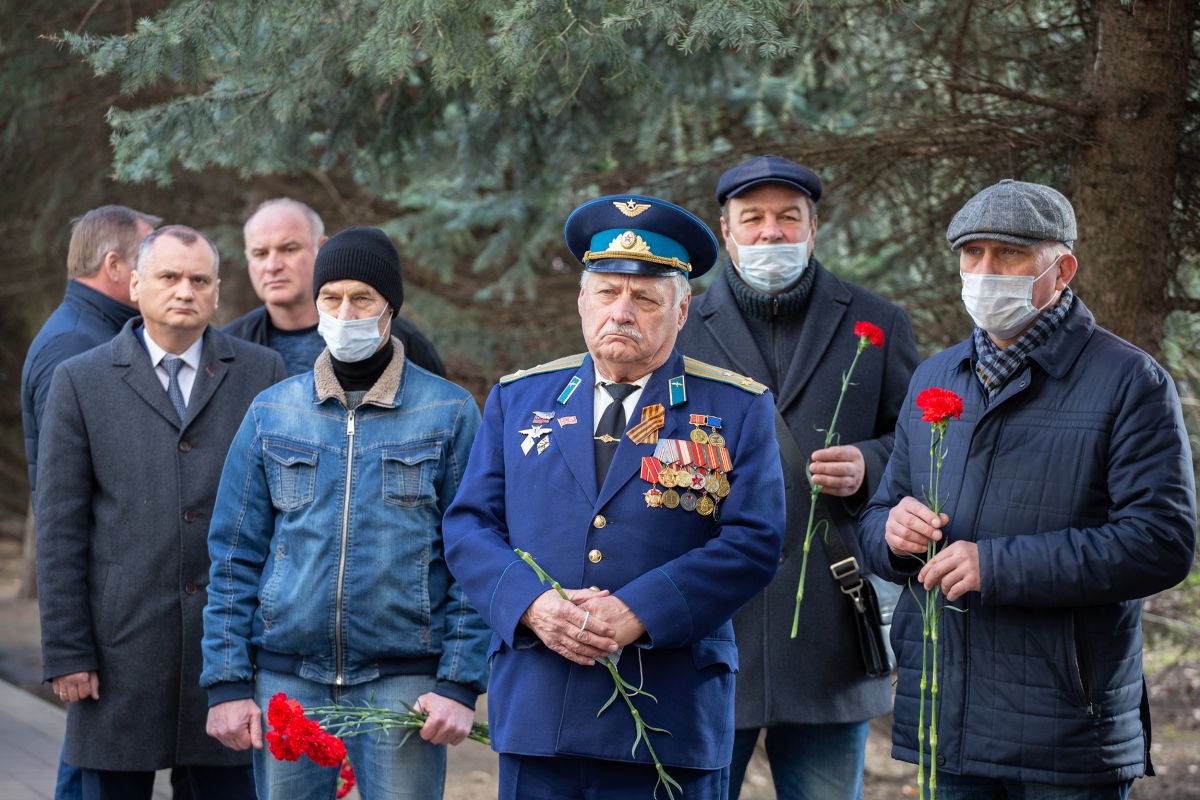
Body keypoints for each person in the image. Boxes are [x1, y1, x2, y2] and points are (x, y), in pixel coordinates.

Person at [443, 194, 787, 799]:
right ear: (582, 301)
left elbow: (755, 542)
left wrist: (640, 612)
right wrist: (533, 607)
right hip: (539, 711)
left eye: (646, 298)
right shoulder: (520, 399)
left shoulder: (736, 407)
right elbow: (470, 527)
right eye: (607, 292)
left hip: (668, 715)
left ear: (682, 313)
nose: (621, 312)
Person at [860, 179, 1197, 799]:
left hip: (1065, 729)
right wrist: (891, 533)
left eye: (1009, 254)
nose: (985, 272)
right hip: (946, 715)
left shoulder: (1130, 382)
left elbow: (1161, 542)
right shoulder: (938, 375)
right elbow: (881, 511)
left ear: (1062, 268)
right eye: (972, 254)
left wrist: (999, 565)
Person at [201, 227, 488, 800]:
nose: (344, 312)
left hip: (403, 681)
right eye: (330, 298)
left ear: (390, 308)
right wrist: (227, 682)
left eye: (362, 298)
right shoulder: (272, 413)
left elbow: (473, 557)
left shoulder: (448, 412)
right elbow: (233, 555)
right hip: (288, 679)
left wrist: (459, 683)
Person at [676, 155, 918, 799]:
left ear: (814, 229)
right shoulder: (678, 326)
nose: (770, 233)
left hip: (829, 627)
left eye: (788, 218)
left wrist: (868, 461)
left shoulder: (878, 320)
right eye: (751, 219)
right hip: (707, 624)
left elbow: (922, 445)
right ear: (726, 234)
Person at [35, 225, 285, 800]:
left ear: (218, 292)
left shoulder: (261, 373)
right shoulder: (81, 380)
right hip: (118, 655)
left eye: (199, 279)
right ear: (137, 283)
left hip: (227, 656)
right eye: (169, 277)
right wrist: (67, 650)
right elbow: (59, 528)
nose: (184, 290)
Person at [224, 197, 445, 376]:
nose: (272, 266)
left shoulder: (399, 338)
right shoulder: (229, 347)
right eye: (260, 253)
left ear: (321, 248)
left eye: (289, 249)